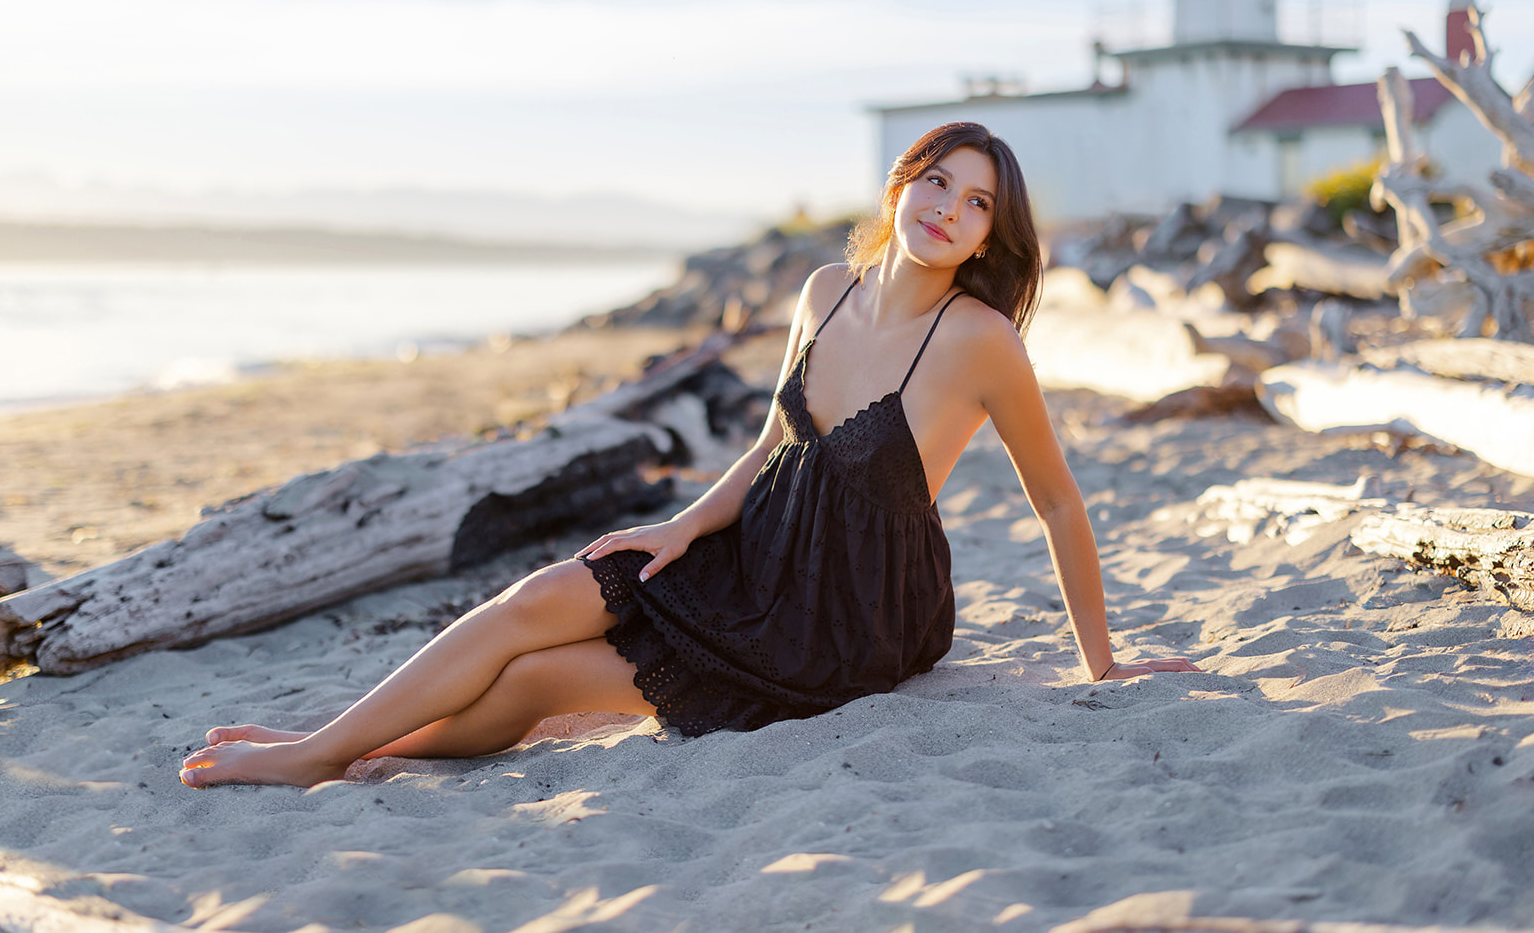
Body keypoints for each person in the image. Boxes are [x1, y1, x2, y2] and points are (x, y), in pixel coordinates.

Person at [180, 122, 1198, 789]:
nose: (949, 209)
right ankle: (328, 745)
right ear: (899, 188)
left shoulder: (982, 340)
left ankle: (333, 753)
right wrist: (681, 522)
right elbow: (771, 446)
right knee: (540, 599)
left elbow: (1059, 503)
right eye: (936, 181)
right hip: (750, 548)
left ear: (987, 237)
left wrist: (1099, 659)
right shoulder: (819, 292)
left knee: (543, 681)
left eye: (977, 203)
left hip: (842, 614)